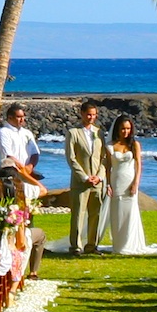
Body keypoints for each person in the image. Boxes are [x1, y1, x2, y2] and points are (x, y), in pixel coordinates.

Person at [64, 101, 108, 255]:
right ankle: (75, 246)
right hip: (80, 181)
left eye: (94, 115)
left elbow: (103, 158)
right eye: (88, 114)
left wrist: (100, 177)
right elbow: (71, 158)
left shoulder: (99, 133)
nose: (91, 117)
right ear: (82, 114)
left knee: (95, 214)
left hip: (97, 181)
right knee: (78, 214)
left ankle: (92, 245)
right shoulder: (73, 132)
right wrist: (83, 176)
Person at [107, 115, 147, 254]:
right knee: (117, 214)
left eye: (128, 129)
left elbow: (138, 165)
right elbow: (107, 167)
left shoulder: (134, 144)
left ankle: (130, 244)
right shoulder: (111, 146)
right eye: (123, 129)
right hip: (116, 180)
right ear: (117, 129)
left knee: (130, 212)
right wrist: (108, 185)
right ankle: (118, 244)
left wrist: (136, 182)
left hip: (129, 180)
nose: (126, 132)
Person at [0, 103, 40, 175]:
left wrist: (30, 167)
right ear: (10, 117)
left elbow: (35, 153)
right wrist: (23, 169)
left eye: (23, 116)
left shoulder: (27, 133)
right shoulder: (3, 132)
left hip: (27, 173)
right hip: (10, 173)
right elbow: (8, 155)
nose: (22, 120)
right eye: (18, 117)